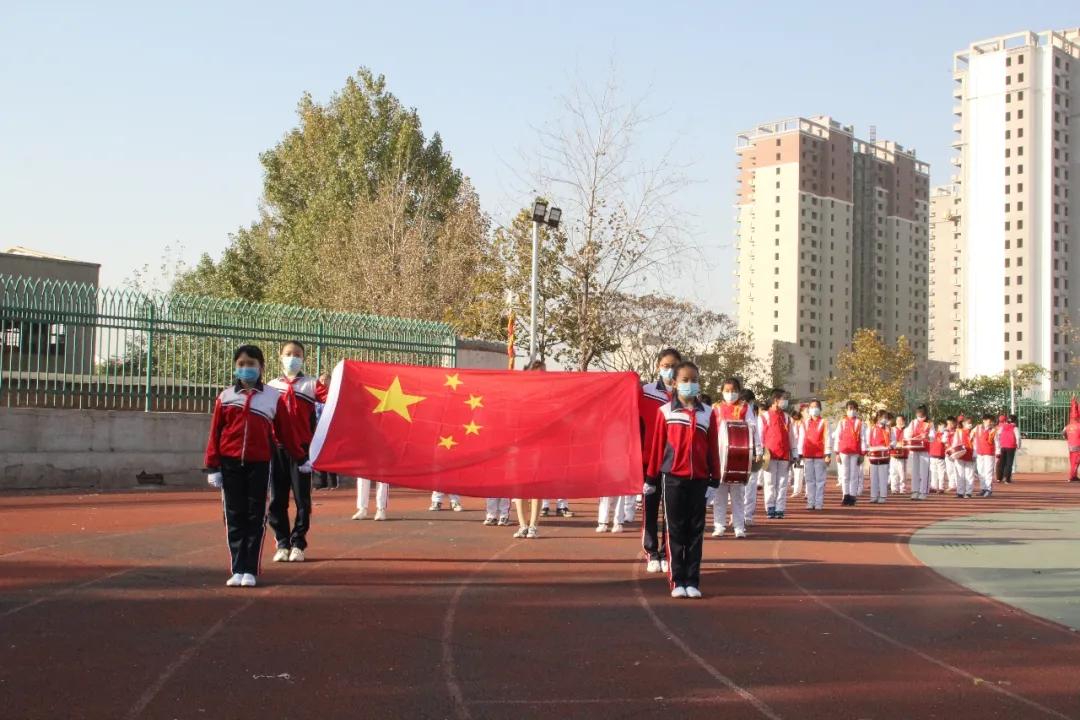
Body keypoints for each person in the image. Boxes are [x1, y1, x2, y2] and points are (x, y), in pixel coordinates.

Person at [205, 344, 306, 588]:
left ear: (261, 367)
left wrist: (300, 457)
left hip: (259, 464)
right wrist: (213, 466)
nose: (246, 368)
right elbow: (215, 434)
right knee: (234, 516)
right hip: (229, 465)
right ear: (235, 367)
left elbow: (285, 433)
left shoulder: (272, 397)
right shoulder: (226, 397)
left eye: (251, 364)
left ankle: (250, 569)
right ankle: (237, 568)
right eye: (241, 364)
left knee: (255, 515)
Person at [644, 361, 718, 599]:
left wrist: (714, 480)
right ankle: (677, 579)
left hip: (699, 480)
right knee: (674, 529)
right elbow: (657, 448)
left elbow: (713, 449)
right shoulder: (665, 412)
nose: (690, 384)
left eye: (694, 379)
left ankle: (692, 579)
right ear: (674, 383)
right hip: (673, 478)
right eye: (685, 380)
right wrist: (651, 478)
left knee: (695, 530)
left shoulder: (708, 413)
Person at [266, 340, 328, 563]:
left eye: (298, 354)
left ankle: (298, 543)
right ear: (280, 357)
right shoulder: (271, 386)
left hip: (302, 451)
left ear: (303, 358)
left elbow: (331, 401)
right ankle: (282, 542)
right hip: (277, 449)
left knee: (303, 500)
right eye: (288, 353)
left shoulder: (311, 384)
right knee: (277, 499)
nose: (293, 357)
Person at [640, 348, 680, 572]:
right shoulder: (645, 392)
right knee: (650, 506)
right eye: (666, 365)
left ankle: (666, 552)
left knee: (671, 509)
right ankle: (651, 551)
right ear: (658, 366)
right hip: (649, 460)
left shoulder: (684, 395)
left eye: (674, 365)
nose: (670, 369)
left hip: (675, 461)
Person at [710, 377, 754, 538]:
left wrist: (756, 451)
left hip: (739, 456)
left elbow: (753, 427)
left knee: (738, 494)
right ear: (722, 391)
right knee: (719, 494)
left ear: (739, 391)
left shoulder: (744, 407)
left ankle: (739, 527)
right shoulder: (715, 408)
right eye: (727, 391)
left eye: (734, 390)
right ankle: (719, 525)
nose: (730, 394)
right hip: (720, 455)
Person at [512, 359, 546, 538]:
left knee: (536, 487)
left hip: (539, 447)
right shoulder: (520, 393)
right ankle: (522, 524)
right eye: (539, 372)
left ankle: (533, 525)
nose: (542, 375)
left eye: (544, 372)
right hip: (520, 446)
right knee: (519, 488)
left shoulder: (548, 395)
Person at [758, 389, 799, 519]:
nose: (785, 401)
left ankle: (780, 508)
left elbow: (792, 437)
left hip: (784, 455)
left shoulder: (787, 417)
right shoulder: (764, 416)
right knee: (770, 483)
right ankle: (770, 506)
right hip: (769, 455)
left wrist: (794, 453)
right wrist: (760, 453)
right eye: (784, 398)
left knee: (782, 483)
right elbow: (760, 437)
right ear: (776, 400)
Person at [797, 399, 831, 511]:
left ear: (820, 409)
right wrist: (799, 453)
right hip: (808, 454)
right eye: (811, 407)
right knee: (809, 480)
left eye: (816, 407)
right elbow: (801, 438)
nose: (813, 409)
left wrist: (828, 453)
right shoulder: (805, 422)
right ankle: (810, 502)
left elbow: (827, 438)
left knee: (820, 480)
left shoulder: (824, 422)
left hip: (820, 455)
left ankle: (819, 503)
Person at [833, 400, 867, 506]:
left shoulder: (860, 423)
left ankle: (852, 496)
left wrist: (862, 453)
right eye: (849, 408)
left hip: (855, 451)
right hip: (844, 451)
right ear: (846, 410)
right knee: (844, 475)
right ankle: (845, 495)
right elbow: (837, 438)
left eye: (853, 408)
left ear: (857, 410)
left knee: (854, 475)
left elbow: (863, 438)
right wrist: (837, 453)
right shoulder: (842, 422)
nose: (851, 410)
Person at [740, 389, 763, 525]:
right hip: (737, 453)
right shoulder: (731, 410)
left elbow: (756, 432)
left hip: (751, 452)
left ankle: (747, 516)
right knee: (738, 488)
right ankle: (739, 515)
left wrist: (758, 450)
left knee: (750, 485)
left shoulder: (751, 412)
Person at [905, 405, 933, 500]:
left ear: (924, 413)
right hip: (914, 448)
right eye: (918, 413)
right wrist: (910, 436)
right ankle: (915, 491)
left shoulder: (929, 424)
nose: (919, 414)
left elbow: (932, 436)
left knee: (924, 471)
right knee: (915, 471)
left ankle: (923, 492)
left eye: (921, 413)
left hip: (924, 449)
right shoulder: (913, 422)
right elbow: (907, 433)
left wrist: (927, 437)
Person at [865, 410, 893, 504]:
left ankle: (883, 496)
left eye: (885, 417)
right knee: (873, 477)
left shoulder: (889, 429)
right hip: (874, 455)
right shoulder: (872, 428)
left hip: (884, 455)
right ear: (877, 417)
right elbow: (867, 441)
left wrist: (891, 445)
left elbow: (894, 440)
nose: (884, 419)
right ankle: (873, 496)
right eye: (882, 417)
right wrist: (868, 448)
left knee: (883, 477)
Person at [973, 414, 997, 497]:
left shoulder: (993, 430)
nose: (990, 423)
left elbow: (997, 442)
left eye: (991, 421)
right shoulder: (978, 427)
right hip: (980, 452)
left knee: (988, 472)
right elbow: (971, 437)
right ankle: (983, 488)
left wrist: (998, 453)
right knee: (980, 472)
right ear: (984, 420)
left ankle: (988, 489)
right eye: (988, 421)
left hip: (989, 453)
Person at [951, 417, 976, 498]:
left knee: (969, 475)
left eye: (971, 423)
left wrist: (974, 455)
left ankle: (968, 492)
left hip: (969, 455)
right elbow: (954, 442)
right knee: (960, 474)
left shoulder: (973, 432)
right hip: (960, 455)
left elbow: (976, 444)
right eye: (968, 423)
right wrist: (954, 453)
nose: (970, 425)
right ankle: (960, 492)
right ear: (963, 423)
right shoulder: (959, 431)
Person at [995, 414, 1021, 485]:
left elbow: (997, 435)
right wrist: (1018, 445)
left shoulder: (1003, 427)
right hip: (1011, 447)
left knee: (1002, 462)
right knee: (1009, 463)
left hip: (1002, 446)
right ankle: (1007, 479)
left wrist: (999, 443)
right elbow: (1018, 437)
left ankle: (999, 478)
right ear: (1015, 420)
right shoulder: (1015, 428)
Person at [888, 414, 908, 496]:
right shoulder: (892, 429)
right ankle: (894, 488)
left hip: (903, 454)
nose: (899, 422)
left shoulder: (906, 430)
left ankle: (902, 488)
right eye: (897, 420)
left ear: (904, 421)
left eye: (900, 420)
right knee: (893, 472)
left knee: (902, 473)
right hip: (893, 453)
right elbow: (889, 440)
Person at [789, 406, 807, 499]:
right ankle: (797, 490)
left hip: (805, 451)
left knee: (807, 472)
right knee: (797, 471)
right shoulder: (796, 424)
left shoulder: (803, 424)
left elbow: (801, 437)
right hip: (797, 452)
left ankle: (808, 492)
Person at [928, 420, 948, 494]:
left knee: (941, 473)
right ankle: (934, 487)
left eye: (943, 426)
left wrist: (945, 431)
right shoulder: (934, 434)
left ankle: (941, 487)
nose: (942, 427)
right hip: (932, 456)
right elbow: (930, 433)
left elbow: (944, 440)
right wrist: (931, 425)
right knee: (933, 473)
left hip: (940, 457)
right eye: (940, 426)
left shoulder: (945, 435)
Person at [942, 416, 960, 493]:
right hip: (948, 453)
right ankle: (952, 485)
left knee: (957, 470)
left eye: (951, 423)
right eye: (948, 423)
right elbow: (943, 440)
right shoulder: (946, 432)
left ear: (955, 423)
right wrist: (946, 433)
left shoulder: (958, 431)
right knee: (949, 470)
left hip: (956, 452)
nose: (949, 425)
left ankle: (959, 486)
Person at [1065, 398, 1080, 483]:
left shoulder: (1068, 426)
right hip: (1078, 447)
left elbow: (1063, 433)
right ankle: (1071, 477)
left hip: (1070, 446)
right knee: (1076, 462)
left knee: (1073, 462)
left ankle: (1074, 476)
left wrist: (1068, 438)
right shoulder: (1079, 426)